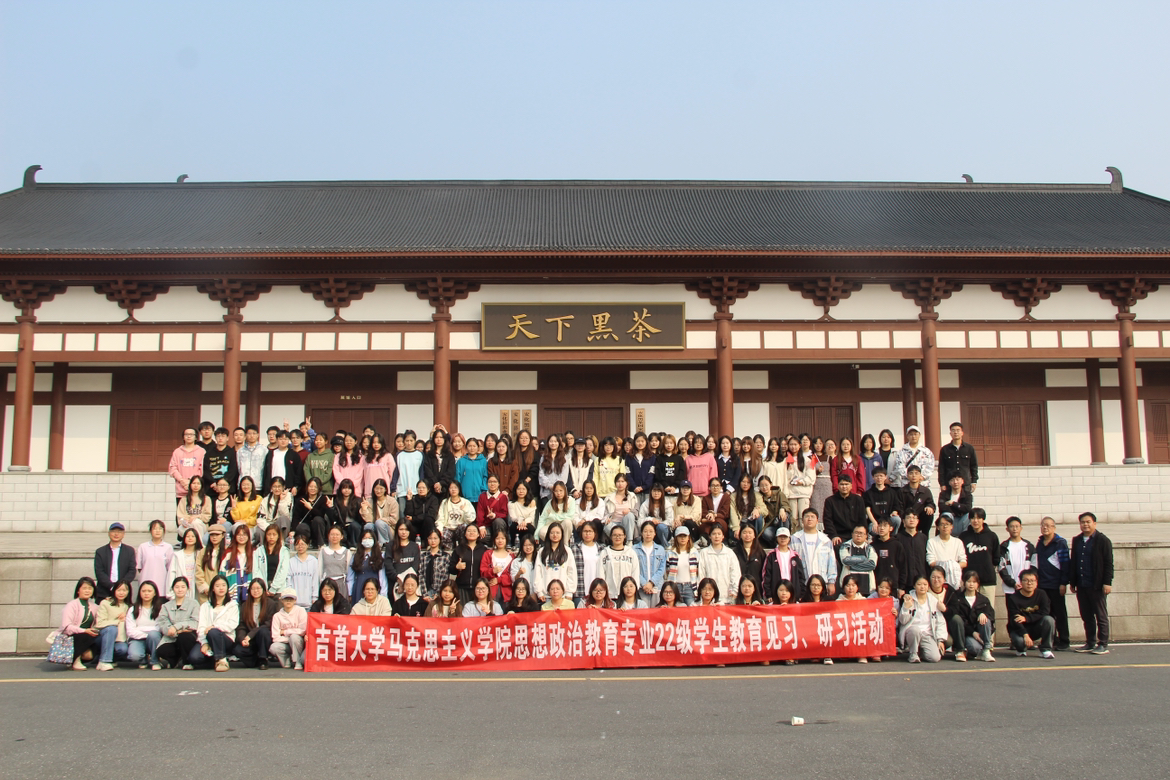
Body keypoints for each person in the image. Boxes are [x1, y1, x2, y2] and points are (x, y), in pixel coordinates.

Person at [1071, 511, 1114, 655]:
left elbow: (1108, 563)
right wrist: (1073, 582)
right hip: (1082, 584)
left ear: (1094, 523)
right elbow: (1074, 561)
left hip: (1096, 585)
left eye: (1088, 522)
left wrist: (1107, 582)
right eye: (1082, 522)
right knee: (1086, 616)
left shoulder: (1103, 540)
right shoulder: (1077, 540)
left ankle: (1103, 644)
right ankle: (1090, 642)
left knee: (1101, 616)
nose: (1085, 524)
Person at [1036, 516, 1072, 651]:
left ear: (1054, 527)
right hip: (1043, 585)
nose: (1045, 528)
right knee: (1047, 613)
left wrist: (1063, 583)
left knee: (1060, 613)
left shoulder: (1060, 543)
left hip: (1056, 585)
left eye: (1048, 525)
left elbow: (1065, 564)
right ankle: (1051, 639)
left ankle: (1064, 640)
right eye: (1043, 525)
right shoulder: (1040, 543)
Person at [1006, 568, 1056, 659]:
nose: (1029, 583)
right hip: (1019, 629)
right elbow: (1014, 619)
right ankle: (1021, 649)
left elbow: (1045, 612)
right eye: (1026, 580)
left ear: (1036, 582)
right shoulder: (1013, 598)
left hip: (1036, 627)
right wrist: (1025, 634)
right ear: (1021, 582)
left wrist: (1027, 618)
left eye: (1032, 581)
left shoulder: (1042, 594)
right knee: (1020, 644)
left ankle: (1046, 649)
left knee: (1049, 620)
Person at [948, 570, 996, 663]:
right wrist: (972, 632)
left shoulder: (983, 600)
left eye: (974, 582)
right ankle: (971, 651)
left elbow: (991, 616)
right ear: (964, 582)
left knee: (986, 619)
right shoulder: (958, 599)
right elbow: (961, 620)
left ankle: (986, 650)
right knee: (974, 648)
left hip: (981, 633)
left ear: (978, 584)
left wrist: (984, 614)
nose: (971, 584)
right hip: (967, 634)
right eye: (969, 581)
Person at [898, 575, 948, 663]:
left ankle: (920, 652)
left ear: (928, 586)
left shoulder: (933, 600)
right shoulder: (909, 598)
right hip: (912, 633)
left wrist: (940, 640)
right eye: (919, 584)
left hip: (927, 634)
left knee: (934, 658)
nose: (922, 587)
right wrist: (906, 608)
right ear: (914, 586)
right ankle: (913, 653)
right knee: (915, 630)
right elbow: (902, 621)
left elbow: (940, 621)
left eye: (925, 584)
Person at [197, 574, 239, 672]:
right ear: (212, 588)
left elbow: (232, 624)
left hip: (226, 638)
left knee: (214, 631)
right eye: (217, 586)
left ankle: (222, 660)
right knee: (195, 658)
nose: (221, 588)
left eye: (224, 585)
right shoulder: (205, 606)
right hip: (208, 638)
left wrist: (214, 626)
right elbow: (201, 626)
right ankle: (214, 659)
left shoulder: (232, 605)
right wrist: (204, 643)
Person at [156, 576, 200, 670]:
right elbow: (163, 622)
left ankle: (187, 662)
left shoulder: (194, 603)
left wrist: (176, 627)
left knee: (184, 637)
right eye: (177, 587)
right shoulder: (166, 606)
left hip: (188, 636)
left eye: (183, 587)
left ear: (187, 589)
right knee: (161, 650)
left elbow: (195, 622)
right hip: (171, 637)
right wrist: (171, 630)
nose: (180, 590)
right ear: (173, 589)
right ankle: (175, 660)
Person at [235, 578, 280, 669]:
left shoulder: (270, 603)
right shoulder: (245, 605)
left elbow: (269, 623)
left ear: (263, 589)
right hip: (250, 639)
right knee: (237, 650)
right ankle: (255, 660)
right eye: (253, 588)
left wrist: (251, 635)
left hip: (264, 637)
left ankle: (263, 659)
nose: (255, 591)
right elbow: (242, 625)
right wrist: (242, 639)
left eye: (258, 588)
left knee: (263, 631)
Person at [791, 509, 837, 597]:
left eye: (812, 517)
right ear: (802, 520)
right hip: (801, 583)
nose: (809, 519)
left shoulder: (825, 540)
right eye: (807, 516)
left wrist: (831, 582)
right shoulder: (794, 539)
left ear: (817, 521)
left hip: (821, 584)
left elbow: (831, 563)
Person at [60, 576, 101, 671]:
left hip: (88, 636)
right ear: (78, 590)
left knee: (89, 655)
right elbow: (66, 626)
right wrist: (84, 630)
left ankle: (73, 658)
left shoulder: (95, 607)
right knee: (83, 636)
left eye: (90, 588)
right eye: (84, 588)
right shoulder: (72, 605)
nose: (87, 591)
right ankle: (75, 660)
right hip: (72, 636)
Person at [959, 508, 1000, 603]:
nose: (975, 521)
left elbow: (996, 558)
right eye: (973, 518)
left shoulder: (992, 536)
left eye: (978, 518)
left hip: (988, 581)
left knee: (988, 608)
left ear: (983, 519)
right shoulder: (964, 536)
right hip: (969, 581)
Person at [93, 579, 133, 670]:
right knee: (111, 628)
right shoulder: (106, 603)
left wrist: (126, 617)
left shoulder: (129, 606)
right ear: (114, 591)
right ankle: (104, 661)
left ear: (128, 592)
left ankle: (109, 659)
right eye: (119, 590)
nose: (121, 593)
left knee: (122, 649)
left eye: (124, 590)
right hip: (103, 636)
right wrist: (117, 621)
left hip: (119, 639)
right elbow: (100, 623)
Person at [125, 580, 164, 670]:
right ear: (139, 593)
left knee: (154, 635)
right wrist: (146, 635)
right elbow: (130, 630)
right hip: (137, 639)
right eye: (143, 591)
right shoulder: (133, 609)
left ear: (155, 593)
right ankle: (143, 659)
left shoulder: (161, 609)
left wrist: (146, 632)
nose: (146, 593)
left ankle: (155, 661)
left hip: (154, 639)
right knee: (134, 656)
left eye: (149, 591)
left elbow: (160, 627)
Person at [697, 525, 741, 605]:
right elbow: (701, 574)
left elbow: (735, 573)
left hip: (727, 596)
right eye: (714, 534)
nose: (716, 536)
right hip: (709, 598)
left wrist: (735, 590)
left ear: (723, 536)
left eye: (719, 534)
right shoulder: (704, 553)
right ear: (710, 536)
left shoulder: (729, 553)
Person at [761, 527, 806, 603]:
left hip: (793, 595)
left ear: (789, 539)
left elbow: (801, 576)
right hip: (776, 596)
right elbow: (766, 576)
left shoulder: (795, 556)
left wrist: (801, 594)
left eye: (785, 537)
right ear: (776, 538)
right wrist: (768, 594)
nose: (783, 539)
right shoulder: (771, 555)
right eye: (780, 536)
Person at [533, 523, 577, 602]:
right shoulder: (542, 551)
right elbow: (537, 572)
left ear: (562, 534)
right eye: (552, 533)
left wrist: (569, 592)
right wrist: (539, 592)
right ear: (548, 534)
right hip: (546, 596)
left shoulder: (567, 551)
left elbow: (571, 572)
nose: (555, 535)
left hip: (563, 596)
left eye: (557, 533)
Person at [997, 516, 1037, 597]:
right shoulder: (1004, 547)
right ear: (1007, 529)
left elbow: (1034, 565)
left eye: (1017, 526)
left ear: (1021, 528)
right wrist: (1013, 583)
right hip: (1010, 589)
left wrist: (1028, 582)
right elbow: (1001, 568)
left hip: (1028, 588)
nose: (1014, 529)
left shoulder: (1029, 546)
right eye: (1012, 526)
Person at [269, 587, 308, 670]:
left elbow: (302, 630)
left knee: (294, 637)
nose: (288, 601)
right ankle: (286, 658)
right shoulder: (277, 616)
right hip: (286, 644)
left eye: (291, 599)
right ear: (281, 600)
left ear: (295, 600)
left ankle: (298, 661)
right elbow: (275, 637)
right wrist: (289, 639)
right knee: (274, 647)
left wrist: (285, 632)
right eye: (286, 599)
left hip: (299, 642)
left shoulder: (301, 611)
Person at [822, 474, 866, 546]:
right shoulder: (830, 501)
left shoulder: (858, 500)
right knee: (837, 544)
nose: (844, 487)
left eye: (846, 484)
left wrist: (862, 535)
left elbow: (862, 519)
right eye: (842, 484)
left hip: (855, 534)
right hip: (838, 534)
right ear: (838, 486)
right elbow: (827, 520)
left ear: (851, 486)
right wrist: (834, 535)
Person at [451, 522, 489, 604]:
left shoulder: (484, 550)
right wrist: (456, 567)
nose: (471, 533)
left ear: (478, 534)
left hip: (479, 587)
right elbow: (451, 569)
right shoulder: (458, 549)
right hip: (462, 587)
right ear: (465, 534)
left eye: (474, 531)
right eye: (469, 531)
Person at [925, 514, 966, 587]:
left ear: (952, 527)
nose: (945, 527)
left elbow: (964, 562)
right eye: (942, 524)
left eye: (947, 524)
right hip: (938, 579)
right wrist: (946, 565)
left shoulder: (958, 542)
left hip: (954, 579)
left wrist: (952, 566)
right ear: (938, 527)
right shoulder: (932, 542)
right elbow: (931, 562)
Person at [136, 519, 174, 597]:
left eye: (160, 528)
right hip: (146, 582)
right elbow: (139, 567)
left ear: (163, 531)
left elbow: (170, 567)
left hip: (162, 584)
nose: (158, 531)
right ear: (150, 531)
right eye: (155, 528)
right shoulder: (143, 547)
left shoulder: (168, 547)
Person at [938, 421, 979, 493]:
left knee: (966, 500)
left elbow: (974, 466)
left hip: (965, 483)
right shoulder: (945, 449)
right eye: (953, 430)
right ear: (950, 433)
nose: (955, 432)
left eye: (958, 430)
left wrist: (974, 481)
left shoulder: (969, 448)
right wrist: (942, 484)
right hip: (949, 484)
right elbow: (941, 468)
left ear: (962, 433)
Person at [600, 525, 638, 600]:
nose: (617, 537)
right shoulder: (604, 553)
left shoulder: (631, 553)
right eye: (615, 535)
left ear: (624, 536)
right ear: (611, 537)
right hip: (609, 595)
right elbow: (600, 573)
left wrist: (633, 590)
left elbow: (635, 573)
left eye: (620, 535)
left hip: (627, 595)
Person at [349, 529, 387, 604]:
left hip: (374, 587)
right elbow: (350, 577)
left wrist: (383, 593)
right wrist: (350, 593)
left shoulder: (380, 556)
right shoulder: (355, 556)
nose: (367, 540)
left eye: (370, 538)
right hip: (359, 587)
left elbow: (382, 577)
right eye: (365, 538)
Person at [871, 517, 906, 596]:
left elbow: (903, 567)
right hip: (876, 587)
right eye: (880, 525)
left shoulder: (897, 545)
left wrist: (901, 587)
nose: (882, 528)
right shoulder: (872, 546)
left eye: (885, 526)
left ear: (891, 528)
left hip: (893, 586)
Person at [168, 427, 206, 502]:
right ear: (183, 437)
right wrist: (182, 480)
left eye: (191, 434)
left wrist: (191, 481)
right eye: (186, 434)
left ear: (196, 437)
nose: (189, 436)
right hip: (181, 490)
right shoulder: (177, 451)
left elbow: (202, 469)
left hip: (196, 490)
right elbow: (172, 468)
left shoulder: (201, 451)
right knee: (181, 509)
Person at [838, 525, 877, 595]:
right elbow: (846, 561)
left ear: (866, 536)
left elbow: (872, 565)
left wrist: (852, 565)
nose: (858, 535)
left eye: (861, 533)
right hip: (849, 588)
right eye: (856, 532)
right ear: (852, 534)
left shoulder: (870, 548)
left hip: (866, 586)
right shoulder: (845, 546)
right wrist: (863, 559)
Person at [263, 429, 303, 497]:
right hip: (272, 488)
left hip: (287, 489)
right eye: (281, 439)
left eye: (285, 439)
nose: (283, 441)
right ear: (277, 440)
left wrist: (296, 486)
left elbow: (298, 472)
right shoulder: (270, 454)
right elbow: (266, 472)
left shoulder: (294, 455)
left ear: (289, 440)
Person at [436, 480, 475, 550]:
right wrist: (439, 530)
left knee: (464, 527)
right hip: (448, 528)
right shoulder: (444, 502)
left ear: (459, 489)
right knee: (443, 535)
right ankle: (449, 549)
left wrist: (465, 510)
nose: (453, 490)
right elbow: (440, 518)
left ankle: (463, 549)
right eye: (451, 488)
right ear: (448, 490)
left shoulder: (466, 502)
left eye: (455, 487)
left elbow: (471, 519)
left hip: (460, 528)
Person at [634, 519, 667, 602]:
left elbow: (661, 569)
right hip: (641, 588)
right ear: (641, 533)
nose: (648, 534)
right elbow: (634, 569)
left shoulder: (660, 549)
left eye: (651, 531)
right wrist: (644, 584)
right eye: (645, 531)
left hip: (657, 587)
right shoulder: (634, 549)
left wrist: (651, 583)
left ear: (655, 533)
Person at [666, 526, 700, 604]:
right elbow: (667, 570)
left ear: (688, 537)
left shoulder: (694, 553)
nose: (682, 538)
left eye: (684, 536)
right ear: (676, 538)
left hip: (690, 586)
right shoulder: (670, 553)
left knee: (692, 608)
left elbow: (697, 570)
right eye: (680, 536)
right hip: (675, 586)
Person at [359, 478, 399, 546]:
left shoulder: (392, 501)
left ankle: (384, 544)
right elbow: (369, 520)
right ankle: (371, 545)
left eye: (381, 488)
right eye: (376, 488)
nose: (378, 491)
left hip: (389, 530)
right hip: (376, 528)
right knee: (368, 526)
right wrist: (364, 509)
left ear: (385, 489)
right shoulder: (370, 501)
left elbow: (394, 520)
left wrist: (380, 520)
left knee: (379, 523)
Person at [571, 520, 603, 603]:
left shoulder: (602, 549)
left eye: (590, 531)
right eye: (585, 531)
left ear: (595, 533)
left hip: (598, 592)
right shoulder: (575, 549)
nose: (587, 534)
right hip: (580, 590)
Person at [254, 523, 291, 596]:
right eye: (269, 534)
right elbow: (256, 570)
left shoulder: (284, 551)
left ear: (278, 536)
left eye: (274, 534)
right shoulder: (259, 551)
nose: (271, 537)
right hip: (262, 589)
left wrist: (273, 588)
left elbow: (283, 571)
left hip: (279, 589)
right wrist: (263, 587)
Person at [481, 528, 515, 604]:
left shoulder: (511, 556)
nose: (500, 541)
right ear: (494, 540)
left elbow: (513, 576)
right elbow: (482, 572)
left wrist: (499, 580)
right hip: (491, 592)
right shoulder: (488, 554)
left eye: (503, 538)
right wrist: (492, 571)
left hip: (507, 593)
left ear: (506, 540)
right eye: (497, 538)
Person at [863, 467, 901, 536]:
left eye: (881, 476)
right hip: (875, 521)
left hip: (888, 520)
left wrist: (894, 512)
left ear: (885, 477)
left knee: (897, 520)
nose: (879, 478)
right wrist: (874, 522)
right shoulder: (868, 493)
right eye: (876, 476)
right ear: (873, 477)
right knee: (872, 529)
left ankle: (893, 538)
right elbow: (867, 509)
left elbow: (896, 506)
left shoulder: (892, 492)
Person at [896, 511, 928, 591]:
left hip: (921, 581)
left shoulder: (923, 538)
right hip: (904, 582)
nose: (911, 520)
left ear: (918, 521)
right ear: (903, 521)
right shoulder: (897, 538)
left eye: (914, 518)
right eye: (908, 517)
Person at [287, 534, 321, 609]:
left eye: (303, 544)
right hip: (294, 604)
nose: (300, 546)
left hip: (309, 603)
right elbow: (289, 582)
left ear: (307, 545)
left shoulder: (313, 561)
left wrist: (314, 597)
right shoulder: (291, 561)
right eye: (297, 544)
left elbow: (315, 581)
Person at [166, 527, 202, 598]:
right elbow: (172, 573)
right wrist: (170, 592)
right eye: (188, 536)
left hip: (196, 587)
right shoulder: (177, 555)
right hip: (181, 587)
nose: (190, 538)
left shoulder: (200, 554)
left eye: (192, 536)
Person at [897, 465, 936, 530]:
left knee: (929, 513)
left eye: (916, 473)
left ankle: (925, 534)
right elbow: (899, 507)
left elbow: (931, 503)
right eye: (911, 473)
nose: (914, 476)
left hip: (920, 518)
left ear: (920, 476)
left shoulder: (926, 491)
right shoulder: (901, 491)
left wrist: (929, 506)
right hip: (906, 518)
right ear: (907, 475)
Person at [604, 474, 640, 543]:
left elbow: (637, 512)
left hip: (627, 524)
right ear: (615, 483)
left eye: (622, 481)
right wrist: (607, 519)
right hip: (613, 523)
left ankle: (629, 541)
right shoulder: (609, 497)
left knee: (629, 515)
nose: (620, 484)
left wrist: (630, 510)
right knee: (607, 526)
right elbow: (605, 513)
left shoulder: (632, 496)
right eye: (618, 481)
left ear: (627, 483)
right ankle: (617, 543)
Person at [455, 437, 489, 508]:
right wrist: (459, 491)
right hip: (465, 495)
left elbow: (485, 476)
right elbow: (457, 478)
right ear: (466, 447)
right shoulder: (461, 461)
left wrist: (483, 489)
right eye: (470, 446)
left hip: (480, 495)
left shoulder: (483, 461)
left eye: (474, 446)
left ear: (478, 447)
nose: (472, 448)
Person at [176, 475, 211, 541]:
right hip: (187, 524)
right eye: (194, 483)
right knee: (181, 529)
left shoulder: (207, 499)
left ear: (201, 486)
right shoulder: (184, 499)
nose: (196, 486)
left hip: (201, 524)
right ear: (190, 485)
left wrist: (196, 517)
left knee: (196, 522)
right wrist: (186, 520)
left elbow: (207, 516)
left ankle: (200, 544)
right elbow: (180, 516)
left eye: (198, 484)